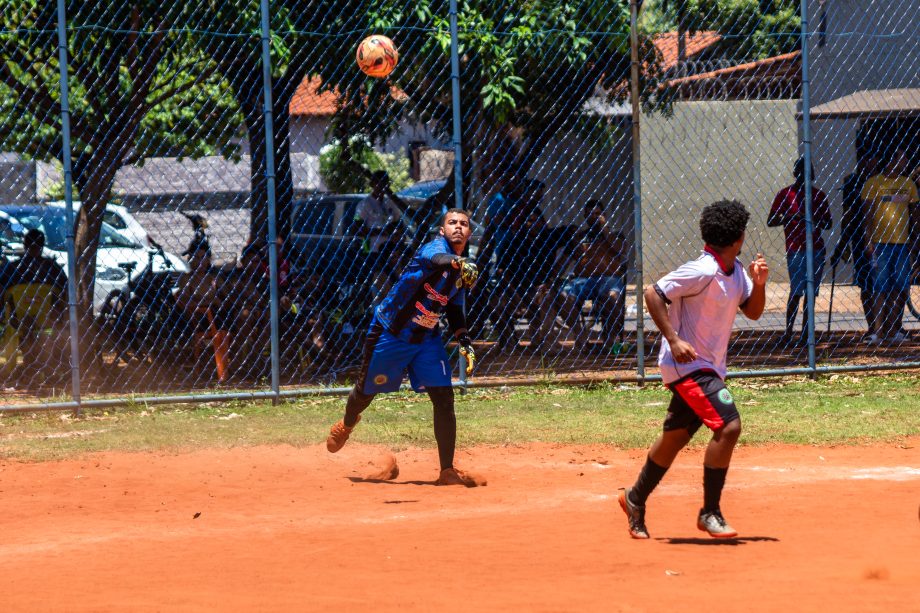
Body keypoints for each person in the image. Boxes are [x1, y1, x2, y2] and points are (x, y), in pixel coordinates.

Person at [617, 200, 768, 539]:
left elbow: (753, 312)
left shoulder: (737, 270)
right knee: (729, 427)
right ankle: (710, 512)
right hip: (687, 366)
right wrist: (673, 339)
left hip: (708, 368)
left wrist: (758, 284)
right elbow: (653, 293)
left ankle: (634, 497)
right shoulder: (702, 270)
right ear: (739, 238)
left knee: (674, 438)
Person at [325, 209, 481, 486]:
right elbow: (436, 259)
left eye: (464, 224)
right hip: (391, 332)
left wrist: (464, 339)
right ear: (442, 230)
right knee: (365, 392)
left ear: (469, 233)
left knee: (444, 399)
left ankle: (446, 470)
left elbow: (455, 307)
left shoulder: (462, 271)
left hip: (426, 338)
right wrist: (457, 260)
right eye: (452, 223)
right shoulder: (436, 249)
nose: (458, 227)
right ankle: (347, 424)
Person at [767, 157, 832, 343]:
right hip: (796, 248)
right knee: (796, 290)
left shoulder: (818, 195)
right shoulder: (785, 194)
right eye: (801, 173)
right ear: (796, 173)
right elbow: (771, 221)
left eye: (807, 173)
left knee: (811, 292)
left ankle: (806, 334)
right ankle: (788, 332)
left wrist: (813, 218)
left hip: (815, 248)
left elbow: (828, 223)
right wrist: (792, 216)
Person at [860, 148, 920, 344]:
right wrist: (868, 240)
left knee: (900, 287)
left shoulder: (908, 184)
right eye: (903, 158)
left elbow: (915, 215)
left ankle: (894, 330)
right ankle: (878, 331)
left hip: (902, 244)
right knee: (880, 287)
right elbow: (867, 215)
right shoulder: (873, 183)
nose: (906, 161)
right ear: (892, 160)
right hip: (880, 244)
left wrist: (914, 241)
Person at [554, 200, 627, 348]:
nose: (594, 217)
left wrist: (605, 229)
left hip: (609, 278)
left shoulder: (615, 235)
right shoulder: (579, 238)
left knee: (613, 297)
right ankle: (580, 334)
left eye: (597, 214)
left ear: (604, 215)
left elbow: (620, 251)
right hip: (584, 280)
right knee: (562, 295)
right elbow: (563, 262)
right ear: (585, 216)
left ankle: (609, 338)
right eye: (590, 214)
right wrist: (552, 278)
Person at [833, 151, 879, 336]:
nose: (871, 162)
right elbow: (848, 214)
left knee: (885, 284)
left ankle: (888, 326)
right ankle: (873, 326)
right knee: (866, 284)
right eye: (868, 158)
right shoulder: (852, 182)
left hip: (883, 238)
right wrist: (844, 241)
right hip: (860, 238)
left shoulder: (882, 180)